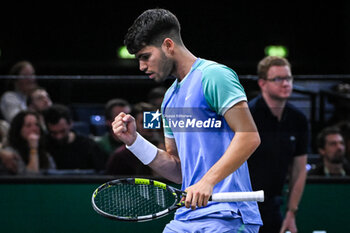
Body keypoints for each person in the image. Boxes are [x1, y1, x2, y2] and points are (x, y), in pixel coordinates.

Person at [112, 9, 262, 232]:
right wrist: (135, 142)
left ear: (168, 46)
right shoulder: (169, 101)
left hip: (228, 215)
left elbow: (249, 137)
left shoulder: (214, 76)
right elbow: (179, 170)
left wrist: (208, 181)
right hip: (186, 217)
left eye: (145, 56)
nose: (142, 66)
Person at [247, 56, 309, 233]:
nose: (285, 83)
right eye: (278, 79)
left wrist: (291, 212)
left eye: (288, 78)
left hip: (274, 205)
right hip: (242, 205)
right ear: (262, 83)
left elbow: (299, 169)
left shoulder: (299, 119)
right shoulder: (247, 116)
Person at [43, 104, 106, 172]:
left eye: (62, 131)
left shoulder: (88, 146)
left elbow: (100, 173)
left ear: (70, 124)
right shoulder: (44, 145)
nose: (59, 136)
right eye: (54, 133)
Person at [105, 102, 158, 176]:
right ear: (132, 124)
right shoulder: (120, 156)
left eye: (153, 121)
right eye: (143, 122)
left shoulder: (165, 150)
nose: (150, 127)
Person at [0, 110, 55, 174]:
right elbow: (30, 178)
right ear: (19, 130)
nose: (34, 129)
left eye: (37, 125)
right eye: (28, 126)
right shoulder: (10, 154)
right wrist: (33, 149)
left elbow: (53, 175)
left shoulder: (45, 154)